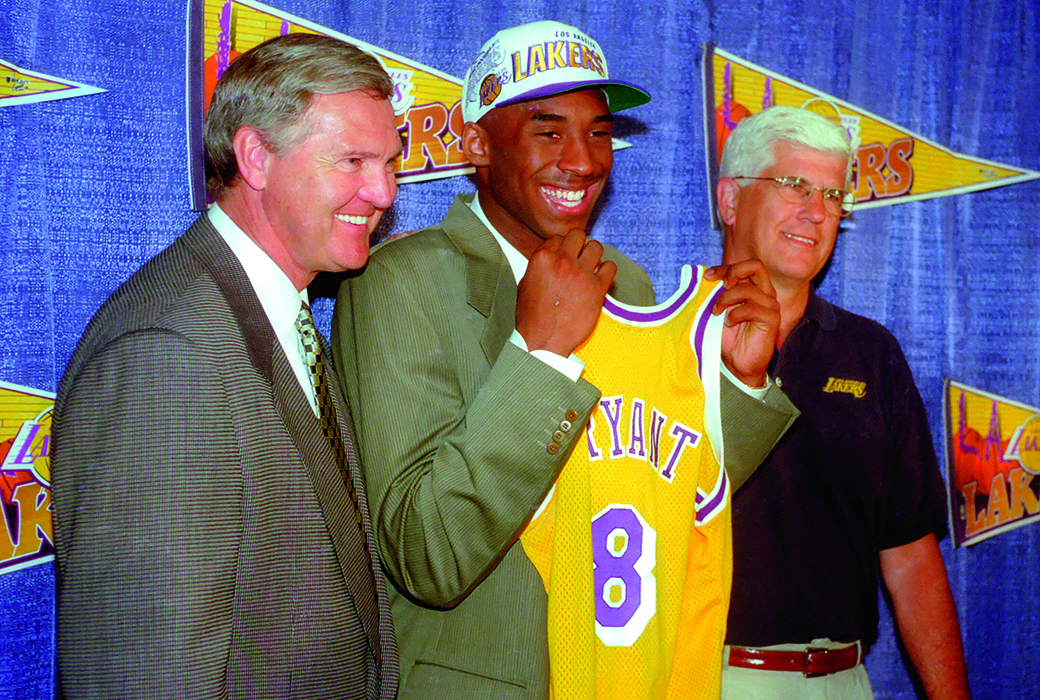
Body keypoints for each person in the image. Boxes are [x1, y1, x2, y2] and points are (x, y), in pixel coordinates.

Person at [332, 20, 795, 699]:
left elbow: (659, 493)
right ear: (478, 144)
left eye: (600, 132)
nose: (582, 160)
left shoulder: (625, 283)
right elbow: (424, 552)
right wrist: (540, 355)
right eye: (548, 132)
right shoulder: (403, 281)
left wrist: (738, 384)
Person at [51, 33, 401, 699]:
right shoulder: (168, 355)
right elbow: (144, 678)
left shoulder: (272, 311)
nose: (382, 191)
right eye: (352, 161)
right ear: (256, 156)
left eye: (389, 162)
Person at [715, 105, 971, 699]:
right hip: (706, 677)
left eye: (833, 195)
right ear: (730, 200)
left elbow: (909, 554)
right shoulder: (666, 338)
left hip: (843, 681)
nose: (815, 211)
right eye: (794, 185)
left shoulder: (870, 353)